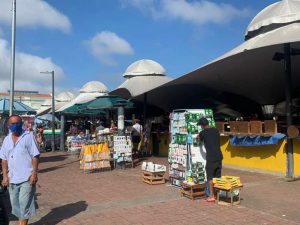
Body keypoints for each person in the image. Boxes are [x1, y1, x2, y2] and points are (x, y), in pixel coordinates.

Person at [0, 115, 40, 225]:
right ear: (9, 125)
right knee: (15, 205)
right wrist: (4, 176)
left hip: (27, 177)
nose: (16, 125)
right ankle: (21, 221)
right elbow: (4, 159)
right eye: (13, 124)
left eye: (18, 123)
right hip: (12, 178)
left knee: (24, 204)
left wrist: (34, 174)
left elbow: (35, 156)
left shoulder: (28, 136)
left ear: (21, 123)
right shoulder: (7, 140)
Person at [198, 117, 223, 203]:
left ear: (202, 125)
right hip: (219, 156)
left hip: (211, 158)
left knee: (210, 177)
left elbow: (198, 140)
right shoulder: (216, 130)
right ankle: (218, 194)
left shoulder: (202, 133)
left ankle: (212, 196)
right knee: (218, 176)